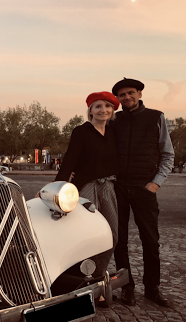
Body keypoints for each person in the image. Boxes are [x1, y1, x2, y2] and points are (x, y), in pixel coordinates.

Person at [110, 78, 174, 307]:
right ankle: (127, 286)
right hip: (118, 188)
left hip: (145, 188)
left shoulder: (156, 117)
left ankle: (152, 288)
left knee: (150, 241)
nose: (126, 97)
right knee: (119, 242)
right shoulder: (113, 120)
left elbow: (167, 154)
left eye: (130, 93)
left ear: (139, 92)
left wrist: (156, 182)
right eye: (121, 95)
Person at [55, 91, 120, 284]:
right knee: (84, 235)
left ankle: (98, 277)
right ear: (90, 110)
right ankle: (79, 279)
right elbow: (70, 160)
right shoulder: (81, 131)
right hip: (85, 189)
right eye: (98, 106)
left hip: (108, 187)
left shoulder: (113, 133)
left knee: (111, 235)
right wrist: (57, 185)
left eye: (107, 106)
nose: (103, 110)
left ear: (113, 110)